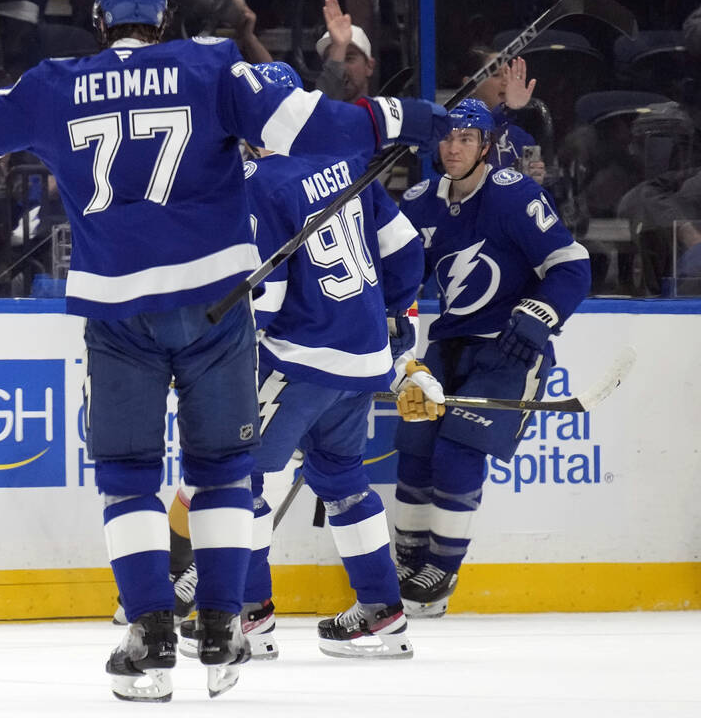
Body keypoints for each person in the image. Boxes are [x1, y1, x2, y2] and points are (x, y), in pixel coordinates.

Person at [0, 0, 449, 701]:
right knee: (219, 473)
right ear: (168, 20)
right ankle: (218, 628)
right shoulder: (212, 65)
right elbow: (322, 125)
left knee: (128, 479)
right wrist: (414, 119)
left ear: (98, 19)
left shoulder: (56, 82)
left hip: (118, 314)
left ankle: (148, 635)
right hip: (214, 309)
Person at [170, 62, 442, 662]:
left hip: (297, 363)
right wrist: (392, 329)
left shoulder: (261, 184)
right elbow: (402, 257)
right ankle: (382, 610)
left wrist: (224, 359)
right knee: (344, 482)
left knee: (240, 479)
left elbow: (262, 298)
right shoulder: (351, 167)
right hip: (362, 360)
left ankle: (249, 614)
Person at [391, 98, 590, 618]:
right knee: (414, 453)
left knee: (457, 455)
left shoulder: (512, 195)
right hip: (447, 345)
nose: (452, 148)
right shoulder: (420, 201)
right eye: (447, 138)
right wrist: (388, 317)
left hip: (507, 348)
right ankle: (407, 562)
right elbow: (393, 273)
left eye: (465, 139)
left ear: (486, 146)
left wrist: (541, 313)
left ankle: (441, 569)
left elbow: (571, 266)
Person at [464, 46, 546, 183]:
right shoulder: (456, 131)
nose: (506, 82)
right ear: (470, 85)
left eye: (508, 74)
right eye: (496, 75)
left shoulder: (522, 138)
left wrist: (535, 181)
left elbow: (530, 195)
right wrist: (506, 109)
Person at [314, 0, 376, 102]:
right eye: (332, 61)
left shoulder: (382, 115)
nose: (340, 69)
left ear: (369, 66)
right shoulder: (317, 115)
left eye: (349, 58)